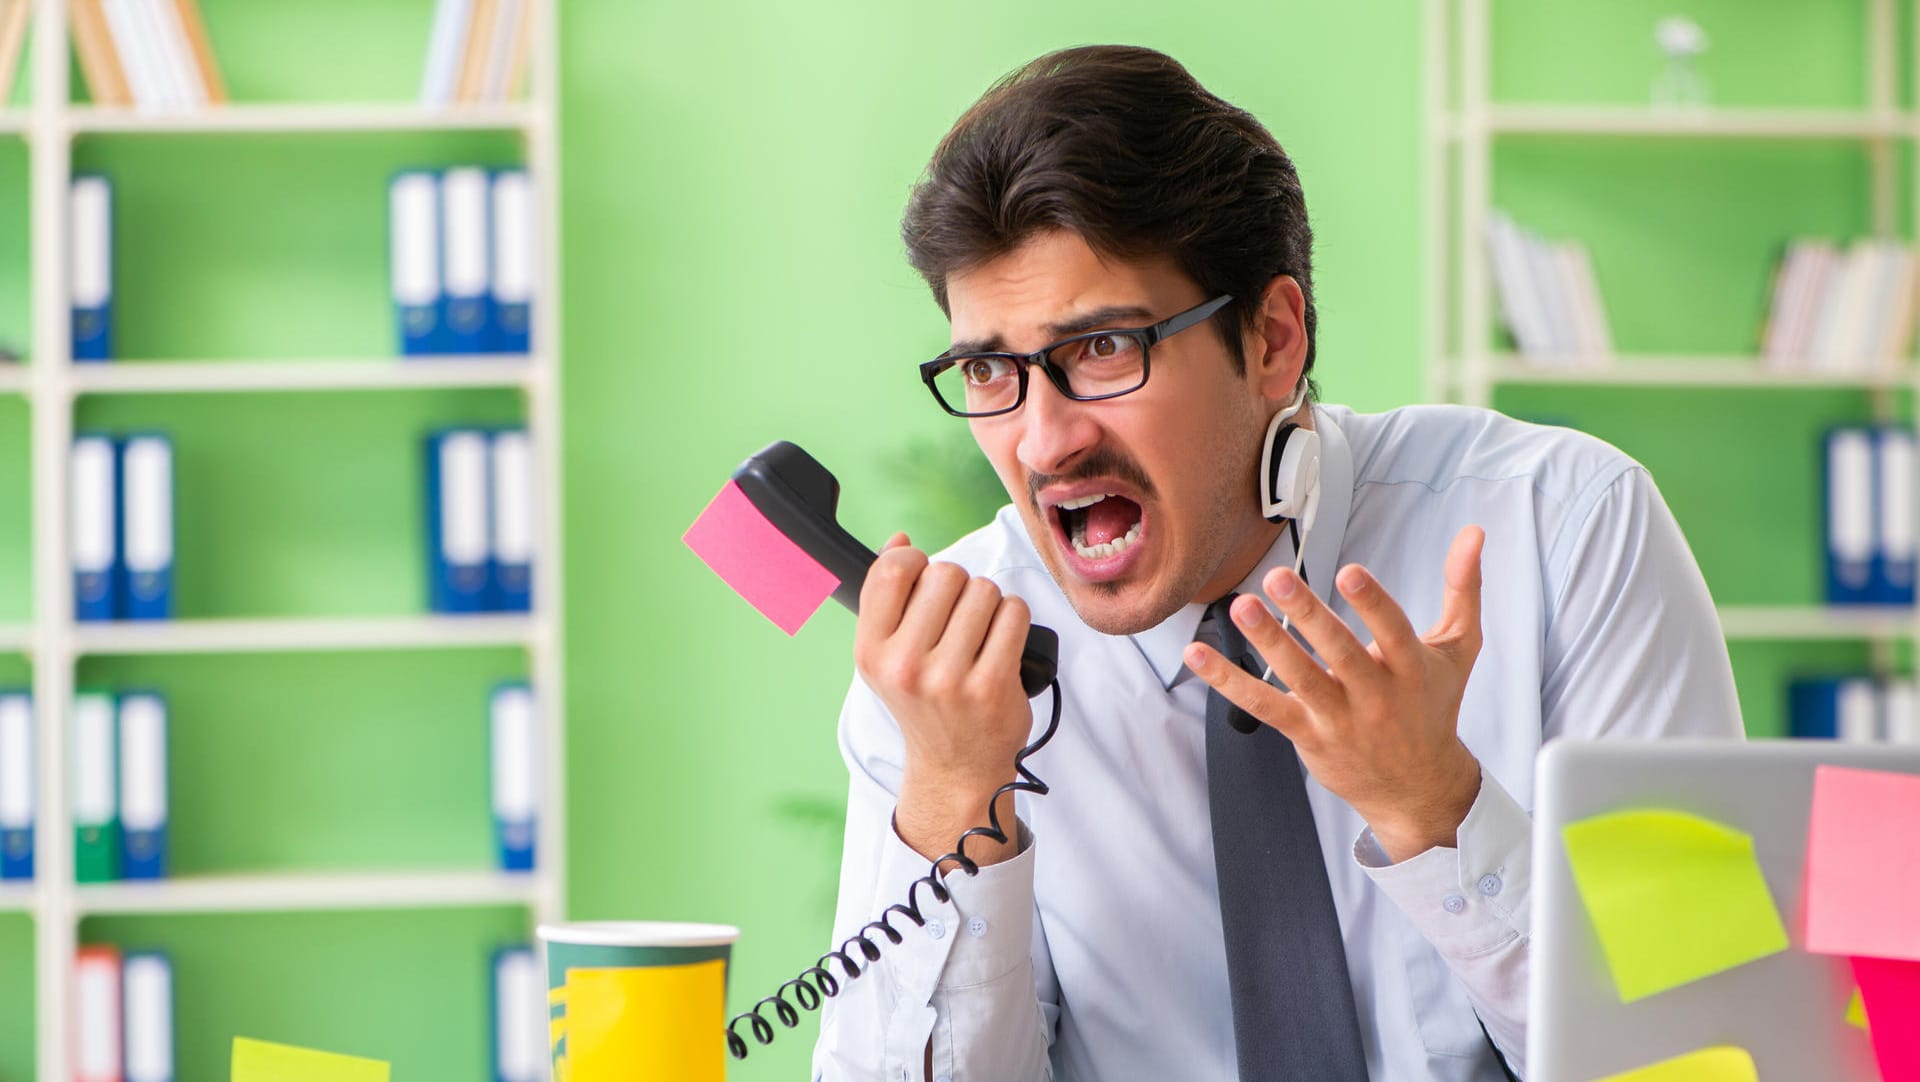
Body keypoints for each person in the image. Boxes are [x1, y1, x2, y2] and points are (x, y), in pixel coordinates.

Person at [812, 45, 1741, 1081]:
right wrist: (951, 802)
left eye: (1105, 349)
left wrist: (1438, 810)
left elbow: (1706, 1050)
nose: (1043, 442)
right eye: (990, 368)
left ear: (1274, 339)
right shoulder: (949, 675)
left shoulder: (1565, 529)